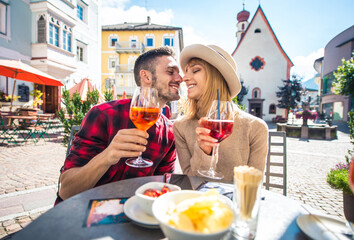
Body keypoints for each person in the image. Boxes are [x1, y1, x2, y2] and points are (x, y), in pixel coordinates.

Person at [56, 47, 182, 204]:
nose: (180, 78)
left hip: (136, 215)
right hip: (84, 213)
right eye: (171, 72)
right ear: (146, 76)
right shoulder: (104, 114)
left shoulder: (169, 132)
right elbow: (66, 190)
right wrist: (107, 156)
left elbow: (163, 186)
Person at [173, 44, 268, 182]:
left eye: (195, 70)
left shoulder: (255, 127)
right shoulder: (181, 126)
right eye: (186, 71)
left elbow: (253, 186)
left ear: (217, 77)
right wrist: (204, 153)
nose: (184, 78)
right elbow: (191, 182)